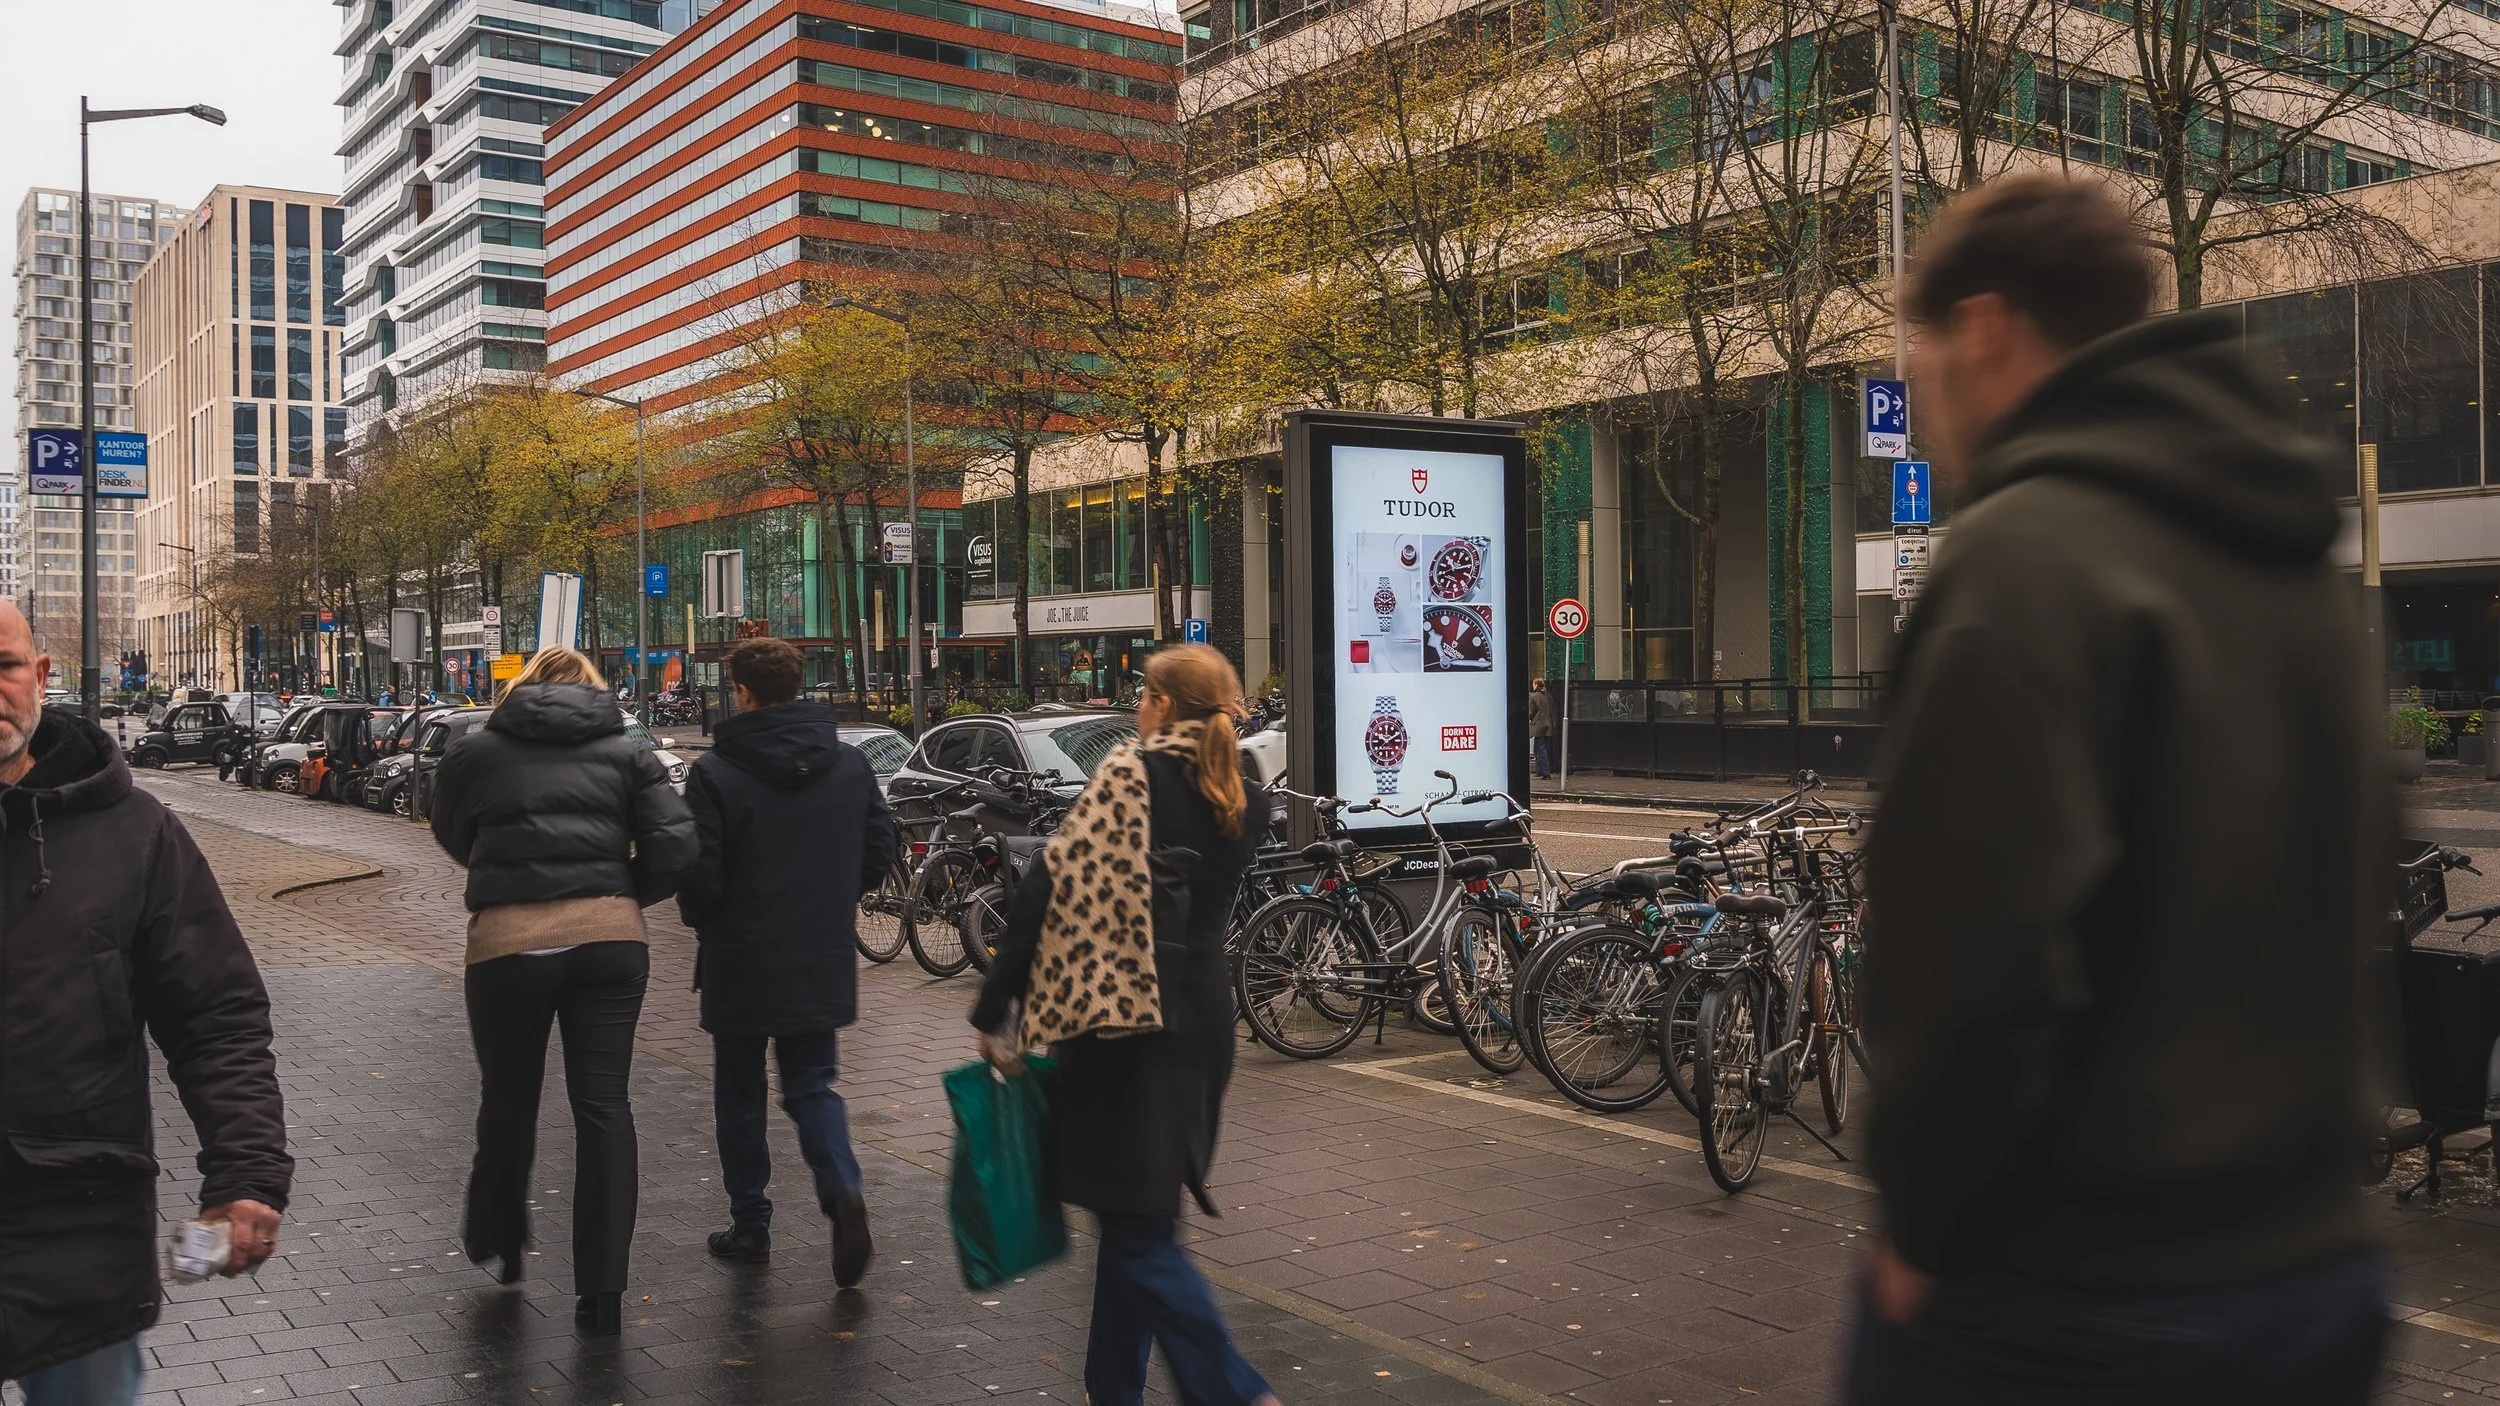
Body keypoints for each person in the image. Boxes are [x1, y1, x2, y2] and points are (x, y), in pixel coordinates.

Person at [1851, 175, 2391, 1404]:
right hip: (2310, 1267)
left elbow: (1970, 964)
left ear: (1983, 328)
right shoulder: (2285, 550)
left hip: (2071, 1281)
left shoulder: (2024, 556)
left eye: (1921, 349)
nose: (1922, 394)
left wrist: (1921, 1220)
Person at [970, 644, 1281, 1406]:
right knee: (1136, 1218)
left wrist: (996, 1005)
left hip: (1121, 1026)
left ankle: (1236, 1391)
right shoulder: (1244, 783)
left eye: (1144, 694)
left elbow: (1046, 887)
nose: (1136, 708)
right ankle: (1110, 1390)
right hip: (1202, 1020)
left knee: (1138, 1233)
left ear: (1165, 705)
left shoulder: (1128, 775)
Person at [0, 601, 292, 1404]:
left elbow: (217, 1016)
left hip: (79, 1223)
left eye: (4, 667)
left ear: (41, 676)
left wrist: (246, 1171)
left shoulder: (135, 832)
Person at [430, 646, 695, 1337]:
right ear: (595, 691)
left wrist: (508, 876)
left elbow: (452, 832)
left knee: (509, 1096)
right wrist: (616, 896)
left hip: (507, 945)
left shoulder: (475, 752)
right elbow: (674, 842)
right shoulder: (627, 751)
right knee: (604, 1105)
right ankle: (602, 1292)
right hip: (609, 942)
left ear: (523, 688)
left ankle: (503, 1237)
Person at [678, 638, 896, 1285]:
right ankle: (843, 1188)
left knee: (740, 1096)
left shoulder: (714, 773)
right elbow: (880, 848)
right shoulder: (849, 765)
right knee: (811, 1083)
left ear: (742, 693)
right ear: (798, 688)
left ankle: (751, 1227)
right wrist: (833, 899)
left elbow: (700, 877)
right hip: (818, 952)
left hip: (739, 958)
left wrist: (707, 921)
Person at [1527, 678, 1555, 779]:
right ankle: (1540, 770)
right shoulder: (1548, 696)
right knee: (1538, 749)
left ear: (1536, 685)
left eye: (1533, 684)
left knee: (1540, 750)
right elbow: (1552, 710)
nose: (1532, 686)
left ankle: (1546, 773)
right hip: (1548, 726)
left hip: (1539, 726)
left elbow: (1530, 712)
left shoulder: (1534, 697)